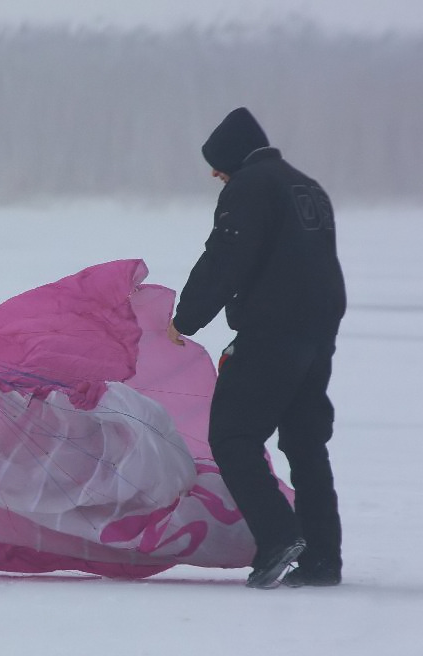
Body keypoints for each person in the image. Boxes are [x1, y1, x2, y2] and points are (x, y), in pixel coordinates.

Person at [167, 107, 346, 589]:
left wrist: (185, 319)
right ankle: (323, 559)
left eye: (217, 163)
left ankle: (278, 537)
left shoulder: (249, 187)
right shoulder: (305, 186)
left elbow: (226, 256)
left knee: (232, 436)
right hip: (317, 333)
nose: (214, 173)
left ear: (234, 157)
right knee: (306, 444)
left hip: (273, 333)